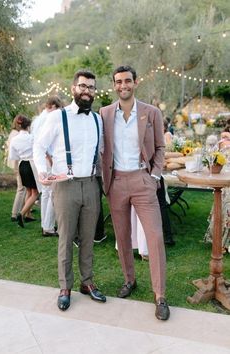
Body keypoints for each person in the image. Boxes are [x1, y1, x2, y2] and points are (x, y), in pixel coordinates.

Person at [100, 65, 170, 321]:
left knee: (155, 237)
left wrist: (153, 176)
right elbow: (101, 148)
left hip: (143, 180)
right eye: (118, 82)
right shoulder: (105, 113)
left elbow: (161, 147)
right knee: (123, 237)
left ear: (135, 82)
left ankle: (160, 295)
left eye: (127, 81)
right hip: (116, 181)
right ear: (114, 85)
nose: (123, 86)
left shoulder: (151, 113)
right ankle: (130, 280)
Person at [33, 70, 106, 311]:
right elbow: (39, 145)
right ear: (73, 88)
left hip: (91, 184)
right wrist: (43, 171)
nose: (87, 90)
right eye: (83, 86)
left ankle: (87, 282)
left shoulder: (97, 119)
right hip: (65, 185)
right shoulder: (58, 117)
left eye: (91, 87)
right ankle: (65, 287)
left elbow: (101, 151)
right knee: (65, 238)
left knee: (88, 238)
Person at [32, 96, 63, 237]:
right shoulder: (49, 118)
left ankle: (45, 224)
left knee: (45, 193)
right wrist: (50, 159)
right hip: (46, 158)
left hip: (40, 158)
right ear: (53, 106)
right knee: (51, 193)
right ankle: (49, 227)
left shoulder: (37, 119)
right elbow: (44, 144)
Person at [8, 115, 40, 228]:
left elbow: (13, 156)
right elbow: (38, 151)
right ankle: (21, 214)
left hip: (22, 165)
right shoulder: (32, 138)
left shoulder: (14, 139)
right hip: (31, 164)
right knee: (35, 193)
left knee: (29, 191)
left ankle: (28, 215)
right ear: (28, 126)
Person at [6, 116, 26, 221]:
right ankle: (15, 214)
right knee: (21, 188)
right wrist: (16, 168)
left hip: (17, 163)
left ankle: (25, 209)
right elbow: (14, 153)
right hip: (17, 164)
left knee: (23, 188)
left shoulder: (13, 133)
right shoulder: (16, 135)